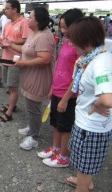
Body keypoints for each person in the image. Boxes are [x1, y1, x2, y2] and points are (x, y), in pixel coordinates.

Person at [61, 16, 112, 192]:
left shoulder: (100, 63)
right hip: (84, 121)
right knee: (82, 162)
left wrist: (98, 105)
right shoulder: (91, 57)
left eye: (73, 40)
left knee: (86, 166)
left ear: (86, 39)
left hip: (93, 127)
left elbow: (108, 99)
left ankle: (83, 186)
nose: (71, 43)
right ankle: (85, 182)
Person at [37, 9, 84, 168]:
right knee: (55, 122)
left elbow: (77, 76)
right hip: (57, 89)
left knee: (65, 126)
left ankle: (64, 156)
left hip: (68, 95)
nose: (62, 31)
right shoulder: (65, 42)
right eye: (61, 27)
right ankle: (56, 149)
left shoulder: (80, 47)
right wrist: (52, 87)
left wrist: (65, 98)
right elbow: (58, 67)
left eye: (65, 27)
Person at [11, 7, 55, 149]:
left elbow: (45, 59)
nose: (27, 19)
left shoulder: (44, 36)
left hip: (39, 78)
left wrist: (23, 63)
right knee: (30, 106)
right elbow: (26, 50)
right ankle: (31, 127)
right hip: (29, 76)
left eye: (30, 17)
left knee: (34, 107)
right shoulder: (33, 33)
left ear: (38, 20)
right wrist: (9, 44)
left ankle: (34, 137)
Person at [0, 0, 30, 123]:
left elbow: (26, 40)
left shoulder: (24, 22)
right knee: (9, 86)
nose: (5, 11)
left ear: (15, 9)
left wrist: (9, 42)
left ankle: (9, 113)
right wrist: (2, 41)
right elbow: (4, 38)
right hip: (6, 57)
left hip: (16, 60)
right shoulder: (8, 23)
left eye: (7, 8)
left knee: (13, 86)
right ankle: (12, 105)